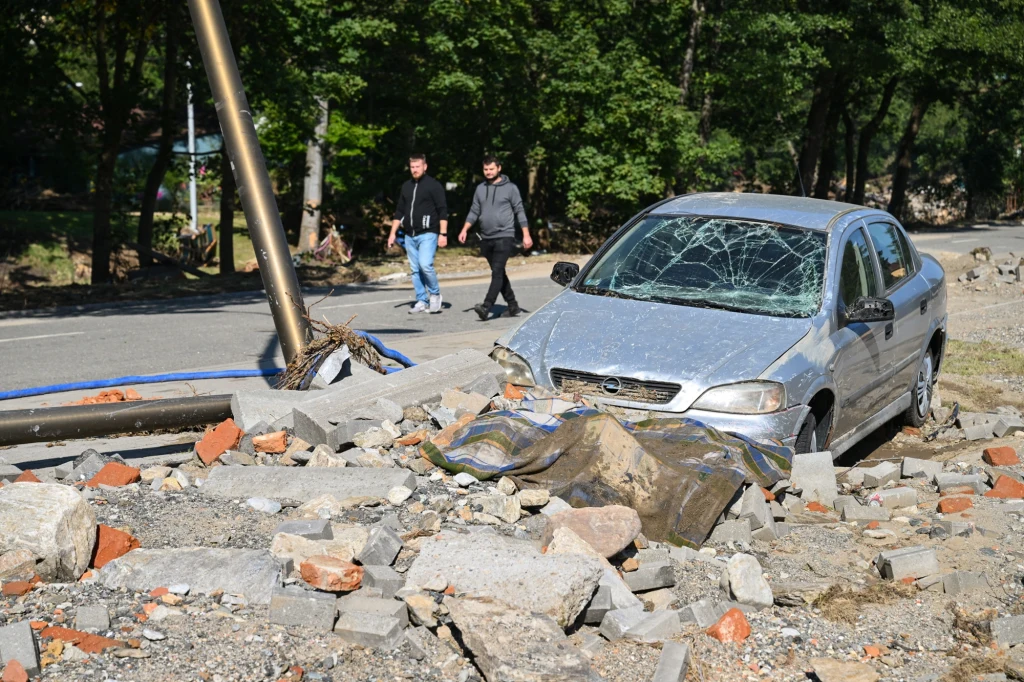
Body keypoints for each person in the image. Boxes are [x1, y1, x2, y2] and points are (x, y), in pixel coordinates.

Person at [458, 154, 533, 320]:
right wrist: (464, 229)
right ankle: (513, 306)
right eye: (486, 169)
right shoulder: (480, 189)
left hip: (504, 236)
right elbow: (474, 211)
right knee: (499, 273)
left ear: (499, 168)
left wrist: (526, 235)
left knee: (497, 272)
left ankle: (486, 306)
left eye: (491, 169)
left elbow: (519, 211)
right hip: (486, 238)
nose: (488, 172)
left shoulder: (511, 188)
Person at [388, 153, 448, 313]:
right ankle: (421, 300)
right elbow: (400, 210)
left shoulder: (433, 185)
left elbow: (443, 210)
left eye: (417, 167)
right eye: (412, 167)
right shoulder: (406, 186)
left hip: (428, 232)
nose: (414, 170)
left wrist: (443, 234)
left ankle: (435, 295)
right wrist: (392, 233)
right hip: (409, 234)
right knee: (415, 269)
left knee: (425, 265)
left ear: (425, 167)